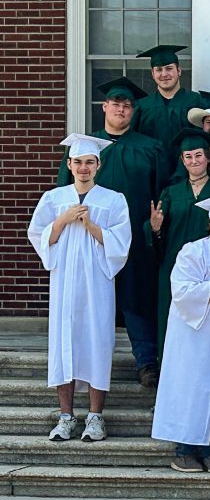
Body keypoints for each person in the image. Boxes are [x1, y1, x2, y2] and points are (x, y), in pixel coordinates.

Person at [56, 77, 165, 388]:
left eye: (127, 105)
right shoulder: (85, 148)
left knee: (136, 300)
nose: (121, 108)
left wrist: (152, 229)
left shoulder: (150, 148)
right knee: (86, 301)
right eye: (116, 103)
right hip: (86, 240)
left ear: (133, 111)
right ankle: (79, 364)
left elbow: (160, 196)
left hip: (132, 241)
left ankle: (146, 362)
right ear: (104, 107)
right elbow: (63, 194)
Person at [29, 134, 131, 442]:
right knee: (64, 344)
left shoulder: (114, 199)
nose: (83, 168)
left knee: (97, 342)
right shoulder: (53, 198)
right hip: (64, 281)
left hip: (97, 282)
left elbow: (121, 244)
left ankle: (95, 417)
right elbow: (38, 235)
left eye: (89, 162)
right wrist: (61, 221)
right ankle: (65, 416)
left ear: (98, 165)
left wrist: (91, 226)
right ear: (69, 164)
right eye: (78, 163)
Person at [151, 193, 210, 472]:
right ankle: (183, 451)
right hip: (194, 334)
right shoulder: (192, 252)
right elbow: (183, 293)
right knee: (191, 389)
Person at [147, 128, 210, 356]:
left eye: (198, 155)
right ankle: (169, 370)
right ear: (182, 161)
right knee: (172, 319)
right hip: (176, 266)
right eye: (188, 156)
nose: (194, 160)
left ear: (208, 157)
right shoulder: (170, 192)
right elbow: (157, 237)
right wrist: (155, 228)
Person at [131, 44, 204, 177]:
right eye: (159, 70)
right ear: (152, 74)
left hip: (188, 174)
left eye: (169, 68)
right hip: (151, 173)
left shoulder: (195, 101)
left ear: (179, 70)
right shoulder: (142, 106)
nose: (164, 74)